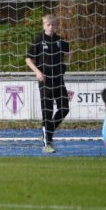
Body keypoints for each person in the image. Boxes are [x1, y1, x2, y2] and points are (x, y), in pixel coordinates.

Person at [26, 14, 70, 153]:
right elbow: (28, 59)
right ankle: (47, 144)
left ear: (56, 26)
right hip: (45, 81)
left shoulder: (60, 40)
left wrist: (65, 65)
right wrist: (37, 72)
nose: (51, 27)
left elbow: (70, 51)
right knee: (48, 112)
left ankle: (48, 131)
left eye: (53, 25)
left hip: (59, 80)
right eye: (48, 25)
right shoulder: (39, 40)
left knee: (64, 108)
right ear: (44, 26)